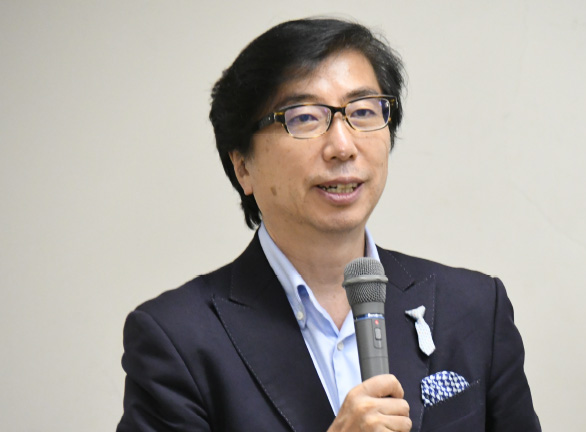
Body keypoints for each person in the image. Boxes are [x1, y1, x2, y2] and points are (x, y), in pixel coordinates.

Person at [117, 18, 541, 432]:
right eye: (304, 117)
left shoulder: (474, 309)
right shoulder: (178, 339)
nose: (342, 146)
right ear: (242, 165)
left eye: (363, 111)